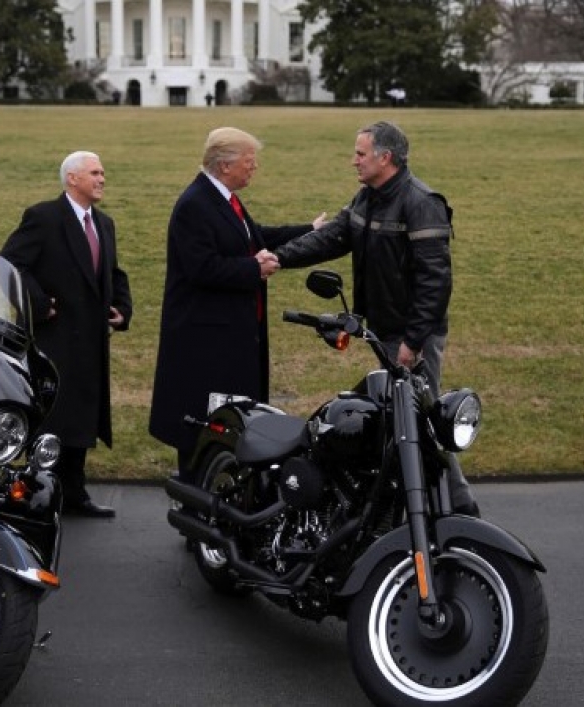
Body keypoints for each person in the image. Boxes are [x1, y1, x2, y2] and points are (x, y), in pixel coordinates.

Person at [273, 120, 478, 515]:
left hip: (412, 338)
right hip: (384, 332)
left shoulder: (421, 203)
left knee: (424, 421)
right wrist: (280, 256)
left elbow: (435, 282)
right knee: (395, 415)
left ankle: (460, 508)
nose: (354, 161)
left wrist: (412, 343)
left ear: (386, 158)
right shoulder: (368, 197)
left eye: (361, 154)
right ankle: (394, 502)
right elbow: (333, 236)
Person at [149, 127, 324, 483]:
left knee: (229, 425)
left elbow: (254, 235)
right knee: (202, 429)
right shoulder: (194, 205)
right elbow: (200, 267)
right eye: (249, 161)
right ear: (225, 165)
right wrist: (253, 268)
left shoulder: (222, 198)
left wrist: (310, 230)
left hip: (229, 338)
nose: (254, 167)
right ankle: (195, 508)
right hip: (206, 342)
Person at [0, 151, 133, 518]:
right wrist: (39, 305)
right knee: (54, 417)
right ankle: (35, 494)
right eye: (94, 172)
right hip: (53, 340)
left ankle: (74, 492)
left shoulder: (104, 223)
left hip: (91, 340)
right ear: (72, 178)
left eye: (103, 172)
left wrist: (123, 309)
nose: (102, 178)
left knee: (82, 416)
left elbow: (113, 273)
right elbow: (9, 265)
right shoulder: (44, 217)